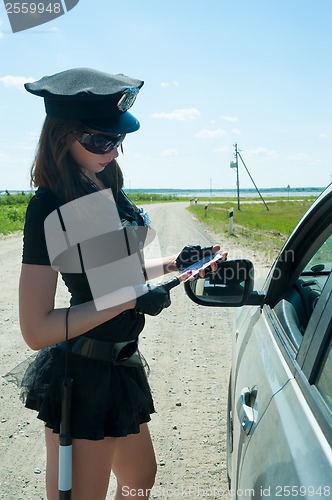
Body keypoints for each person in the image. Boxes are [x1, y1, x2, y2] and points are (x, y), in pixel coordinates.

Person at [18, 67, 225, 500]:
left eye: (118, 140)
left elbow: (112, 277)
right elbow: (36, 330)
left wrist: (172, 264)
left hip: (119, 363)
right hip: (83, 374)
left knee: (139, 477)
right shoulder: (48, 207)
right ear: (61, 135)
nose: (113, 151)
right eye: (101, 140)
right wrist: (128, 299)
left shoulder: (104, 183)